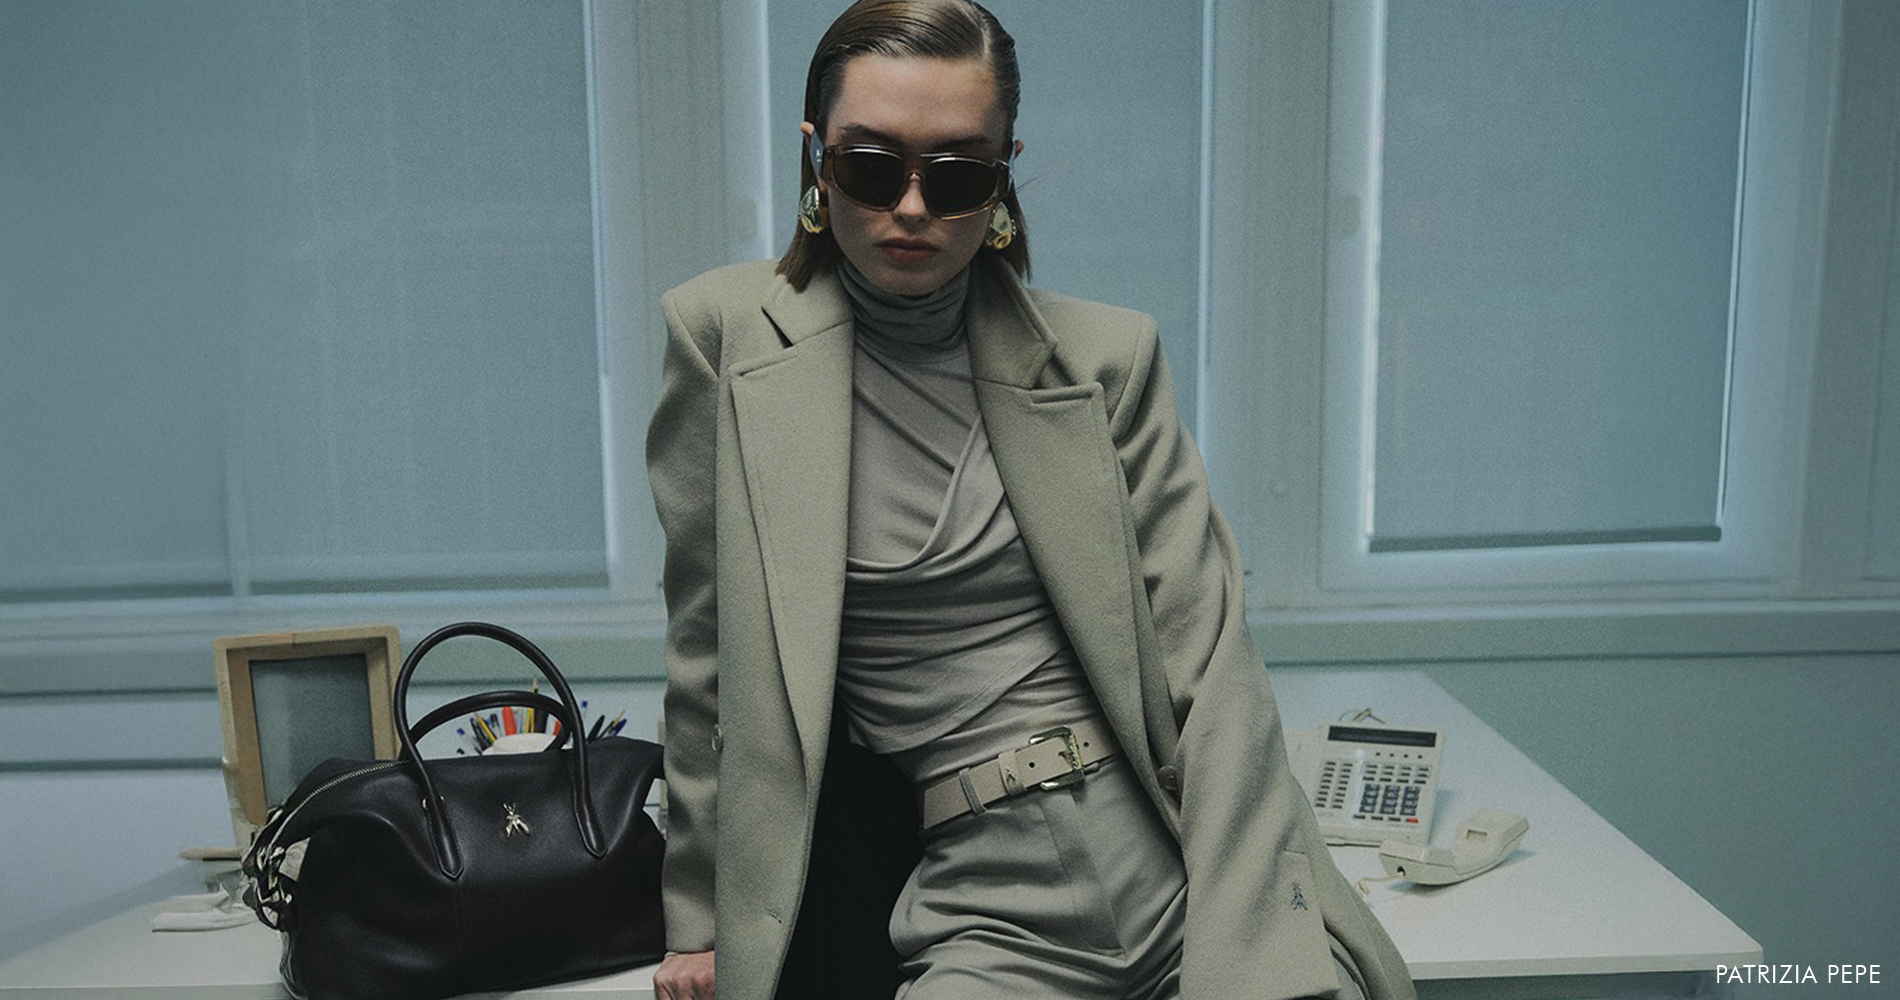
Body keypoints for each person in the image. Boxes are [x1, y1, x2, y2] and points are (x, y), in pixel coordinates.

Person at [645, 2, 1416, 998]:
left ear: (1004, 174)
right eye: (872, 167)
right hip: (986, 907)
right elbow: (707, 657)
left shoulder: (1104, 359)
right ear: (816, 160)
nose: (912, 207)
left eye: (956, 175)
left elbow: (1211, 674)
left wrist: (1249, 954)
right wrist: (698, 917)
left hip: (1182, 870)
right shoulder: (724, 339)